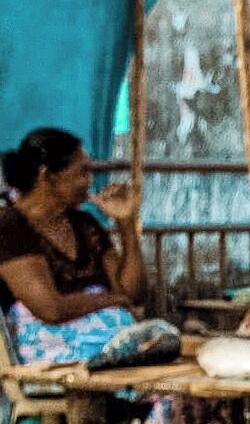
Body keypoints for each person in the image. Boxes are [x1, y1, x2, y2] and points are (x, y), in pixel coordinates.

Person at [0, 127, 146, 363]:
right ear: (46, 176)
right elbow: (50, 309)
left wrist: (126, 224)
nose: (89, 182)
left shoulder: (86, 225)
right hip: (50, 354)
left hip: (105, 345)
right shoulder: (10, 226)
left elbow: (132, 293)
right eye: (82, 173)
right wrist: (111, 300)